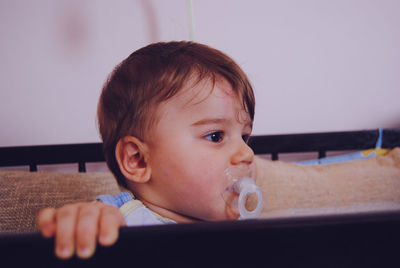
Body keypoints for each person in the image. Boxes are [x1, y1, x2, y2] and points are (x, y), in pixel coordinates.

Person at [37, 41, 256, 259]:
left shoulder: (243, 228)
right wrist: (89, 224)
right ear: (138, 160)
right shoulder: (123, 223)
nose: (247, 153)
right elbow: (97, 224)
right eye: (215, 136)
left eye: (245, 137)